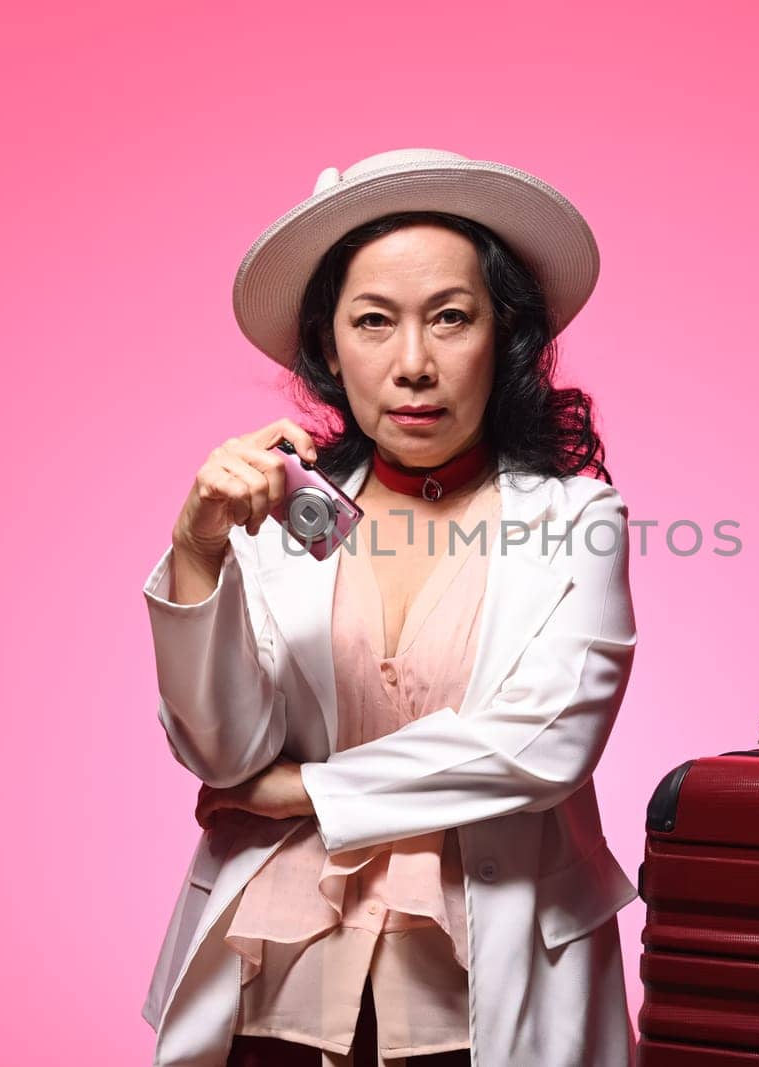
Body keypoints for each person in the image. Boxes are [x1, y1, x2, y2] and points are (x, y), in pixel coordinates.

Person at [139, 148, 639, 1067]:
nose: (413, 364)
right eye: (374, 322)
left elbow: (543, 741)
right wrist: (196, 552)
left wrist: (304, 792)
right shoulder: (275, 517)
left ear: (506, 337)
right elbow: (221, 753)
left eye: (451, 318)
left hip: (481, 993)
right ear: (331, 346)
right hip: (279, 979)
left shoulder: (575, 521)